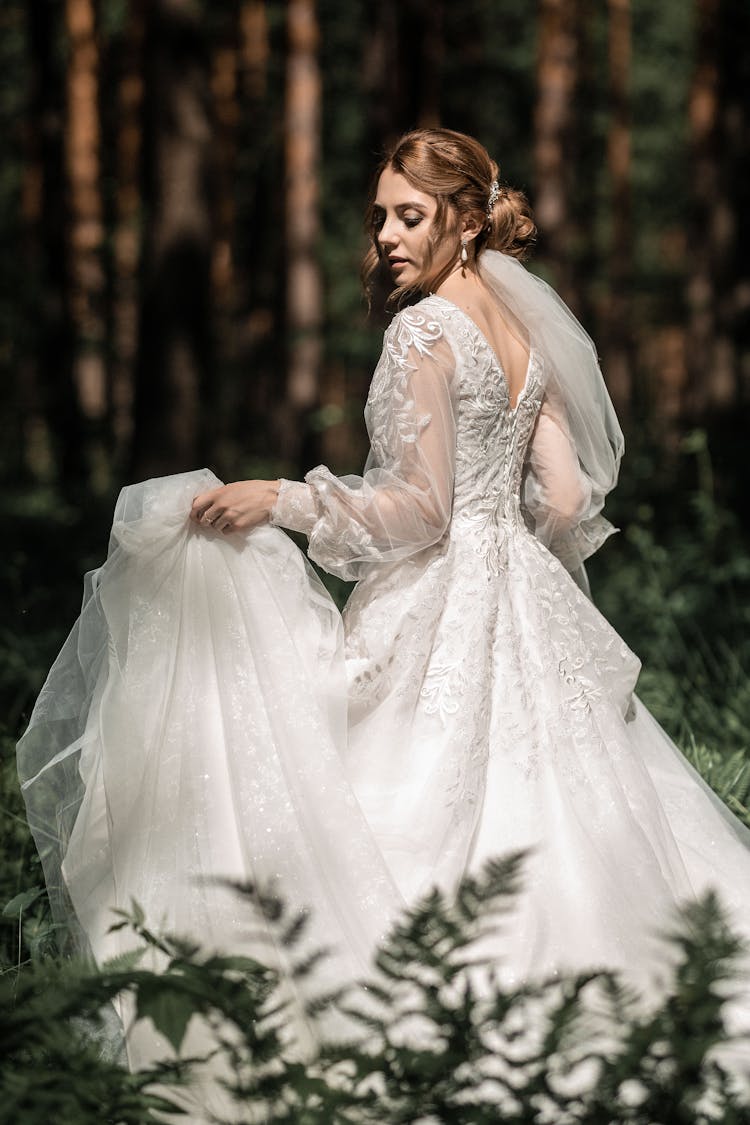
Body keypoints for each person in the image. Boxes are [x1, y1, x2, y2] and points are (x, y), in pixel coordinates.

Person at [18, 129, 750, 1079]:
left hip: (442, 601)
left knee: (393, 809)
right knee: (582, 799)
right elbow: (568, 500)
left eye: (411, 215)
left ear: (469, 217)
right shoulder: (527, 333)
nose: (389, 238)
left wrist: (277, 499)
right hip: (523, 586)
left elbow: (418, 509)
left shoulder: (424, 330)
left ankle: (414, 1036)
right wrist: (506, 535)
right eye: (381, 218)